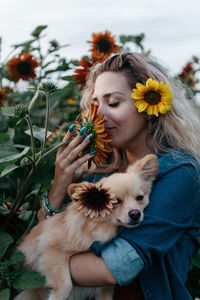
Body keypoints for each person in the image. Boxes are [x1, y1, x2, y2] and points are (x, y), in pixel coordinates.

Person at [38, 51, 200, 300]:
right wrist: (60, 184)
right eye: (95, 105)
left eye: (113, 103)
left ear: (148, 104)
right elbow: (47, 234)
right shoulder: (98, 172)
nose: (100, 115)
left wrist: (44, 263)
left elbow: (116, 267)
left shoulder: (180, 173)